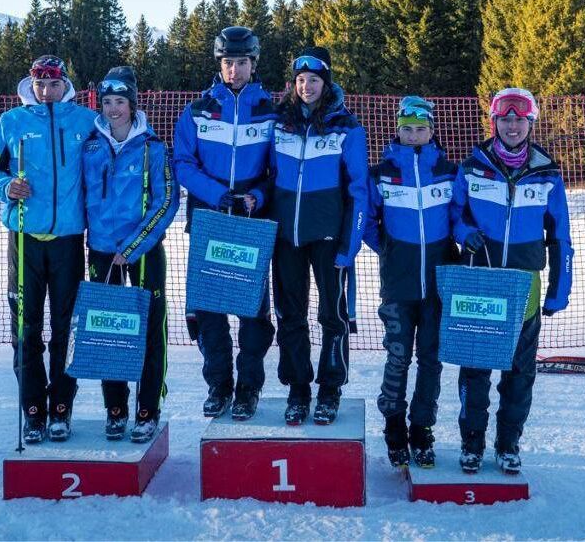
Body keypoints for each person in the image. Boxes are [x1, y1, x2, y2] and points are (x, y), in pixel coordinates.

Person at [450, 87, 573, 474]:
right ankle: (472, 443)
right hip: (481, 282)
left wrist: (558, 290)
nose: (513, 125)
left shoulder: (547, 173)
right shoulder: (472, 167)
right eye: (506, 118)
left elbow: (561, 236)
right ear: (495, 122)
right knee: (475, 369)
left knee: (519, 372)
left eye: (520, 119)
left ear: (530, 122)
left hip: (524, 284)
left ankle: (508, 444)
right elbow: (453, 213)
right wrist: (463, 232)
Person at [0, 55, 94, 444]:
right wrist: (6, 187)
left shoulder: (83, 120)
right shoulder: (12, 122)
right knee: (26, 330)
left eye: (54, 84)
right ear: (31, 84)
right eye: (40, 84)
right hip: (25, 239)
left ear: (66, 84)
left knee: (66, 329)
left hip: (68, 242)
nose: (47, 91)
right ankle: (33, 412)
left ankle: (60, 409)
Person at [173, 26, 276, 421]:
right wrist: (217, 194)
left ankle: (248, 388)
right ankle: (219, 385)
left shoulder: (268, 111)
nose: (234, 70)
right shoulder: (198, 110)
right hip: (209, 218)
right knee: (210, 311)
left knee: (253, 310)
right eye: (228, 63)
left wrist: (259, 197)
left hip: (251, 222)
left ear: (253, 64)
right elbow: (183, 163)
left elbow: (278, 169)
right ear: (219, 64)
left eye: (242, 62)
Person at [269, 47, 368, 426]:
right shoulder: (281, 123)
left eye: (314, 80)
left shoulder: (347, 127)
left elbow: (359, 189)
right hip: (286, 239)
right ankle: (298, 390)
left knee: (333, 315)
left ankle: (330, 389)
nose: (307, 86)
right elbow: (268, 176)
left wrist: (351, 242)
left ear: (326, 83)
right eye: (300, 80)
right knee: (290, 315)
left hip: (328, 238)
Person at [82, 66, 179, 443]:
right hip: (103, 251)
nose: (113, 109)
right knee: (107, 331)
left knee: (151, 330)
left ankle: (147, 409)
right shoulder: (90, 145)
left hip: (141, 251)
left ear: (132, 103)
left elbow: (167, 199)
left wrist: (135, 245)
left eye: (120, 101)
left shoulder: (153, 147)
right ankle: (116, 409)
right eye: (107, 102)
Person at [364, 96, 455, 467]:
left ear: (431, 131)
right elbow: (368, 219)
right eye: (407, 129)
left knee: (431, 360)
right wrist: (387, 248)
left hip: (437, 283)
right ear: (397, 131)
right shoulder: (382, 173)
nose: (413, 135)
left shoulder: (449, 171)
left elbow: (461, 216)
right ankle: (394, 427)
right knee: (398, 357)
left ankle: (422, 429)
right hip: (398, 284)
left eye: (420, 129)